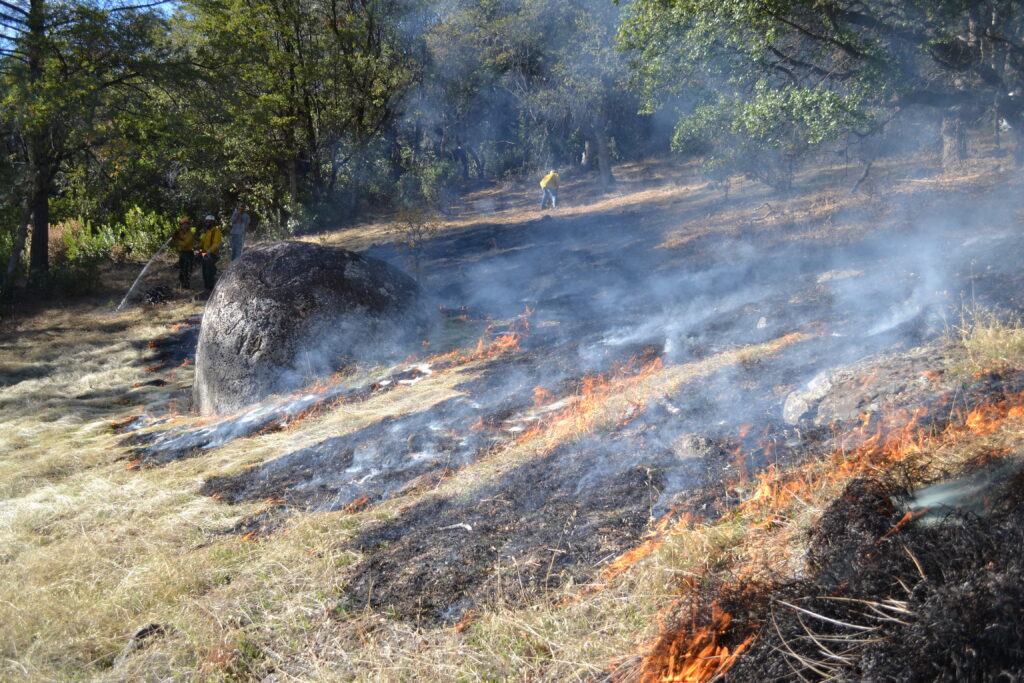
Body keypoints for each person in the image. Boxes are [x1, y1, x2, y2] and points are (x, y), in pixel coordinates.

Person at [197, 215, 223, 291]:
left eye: (208, 222)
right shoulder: (208, 232)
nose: (206, 223)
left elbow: (216, 244)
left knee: (210, 272)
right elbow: (203, 243)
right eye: (206, 222)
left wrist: (209, 251)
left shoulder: (216, 231)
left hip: (212, 255)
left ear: (212, 222)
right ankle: (206, 288)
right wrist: (197, 246)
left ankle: (210, 289)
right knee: (204, 271)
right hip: (205, 254)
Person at [171, 217, 195, 289]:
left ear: (188, 226)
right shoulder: (180, 233)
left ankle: (186, 286)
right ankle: (181, 284)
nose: (184, 226)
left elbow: (185, 244)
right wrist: (174, 236)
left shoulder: (190, 234)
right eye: (183, 225)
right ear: (181, 226)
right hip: (182, 253)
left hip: (189, 253)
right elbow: (173, 241)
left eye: (186, 224)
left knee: (186, 270)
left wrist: (177, 240)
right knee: (181, 269)